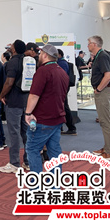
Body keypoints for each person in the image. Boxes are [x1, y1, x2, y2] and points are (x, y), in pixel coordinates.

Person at [24, 44, 69, 173]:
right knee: (54, 151)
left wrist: (28, 113)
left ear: (44, 55)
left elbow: (34, 95)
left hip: (42, 119)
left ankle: (35, 182)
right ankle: (55, 181)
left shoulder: (43, 71)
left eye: (40, 53)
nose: (38, 56)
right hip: (57, 118)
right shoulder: (62, 72)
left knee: (32, 149)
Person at [0, 39, 30, 173]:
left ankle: (14, 163)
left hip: (14, 102)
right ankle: (28, 161)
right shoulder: (28, 61)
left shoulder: (13, 62)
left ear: (15, 49)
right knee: (26, 133)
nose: (10, 47)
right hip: (26, 101)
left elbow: (9, 82)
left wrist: (1, 95)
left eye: (11, 46)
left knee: (14, 133)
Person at [88, 35, 110, 160]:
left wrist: (98, 89)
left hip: (104, 91)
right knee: (104, 121)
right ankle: (107, 147)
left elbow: (108, 76)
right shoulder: (100, 56)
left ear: (94, 44)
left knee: (106, 122)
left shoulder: (102, 56)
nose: (88, 45)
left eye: (89, 43)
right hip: (103, 91)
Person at [57, 49, 77, 135]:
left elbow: (62, 76)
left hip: (62, 88)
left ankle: (71, 128)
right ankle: (61, 127)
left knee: (64, 107)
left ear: (59, 55)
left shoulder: (62, 63)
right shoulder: (62, 62)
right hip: (62, 88)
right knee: (62, 107)